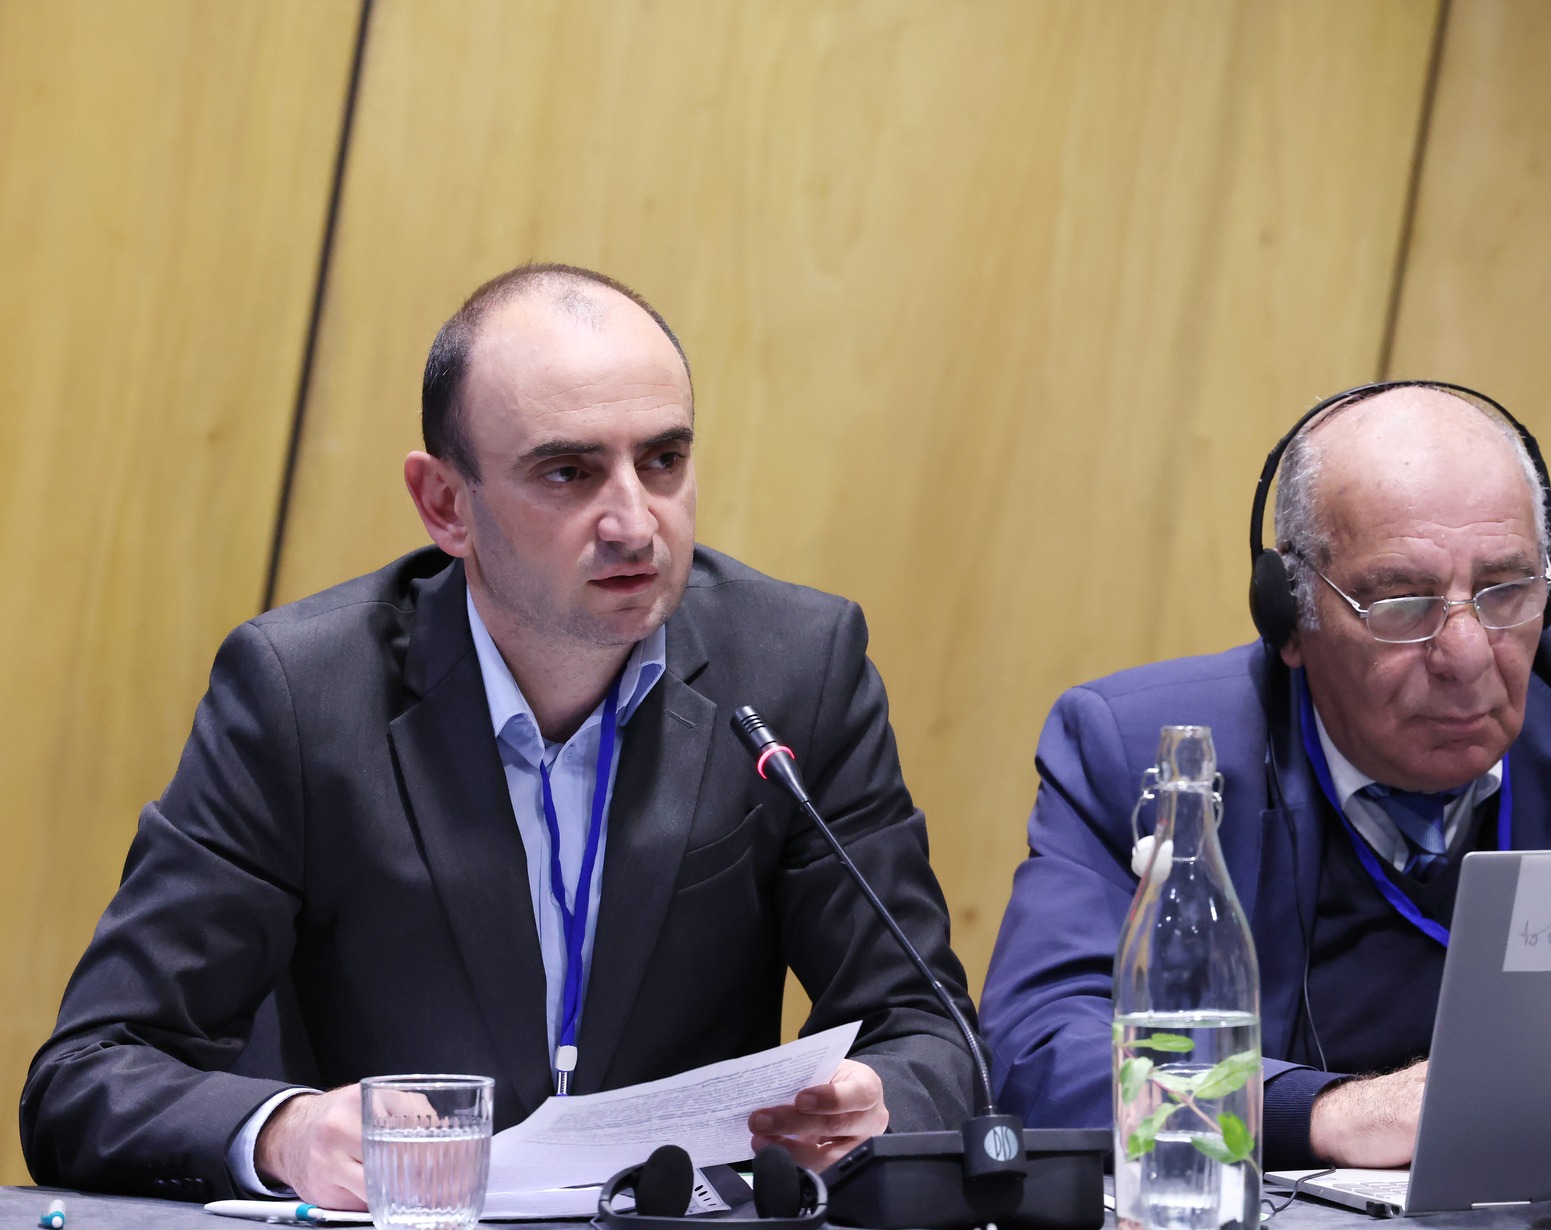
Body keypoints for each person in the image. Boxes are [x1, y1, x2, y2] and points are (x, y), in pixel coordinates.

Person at [22, 265, 978, 1205]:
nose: (634, 523)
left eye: (663, 461)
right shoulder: (305, 697)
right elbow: (90, 1073)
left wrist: (875, 1099)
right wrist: (288, 1132)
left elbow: (928, 1030)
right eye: (568, 472)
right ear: (446, 504)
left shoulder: (796, 670)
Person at [979, 381, 1551, 1171]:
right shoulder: (1137, 750)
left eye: (1506, 591)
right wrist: (1322, 1115)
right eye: (1403, 602)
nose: (1466, 656)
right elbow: (1041, 1053)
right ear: (1290, 618)